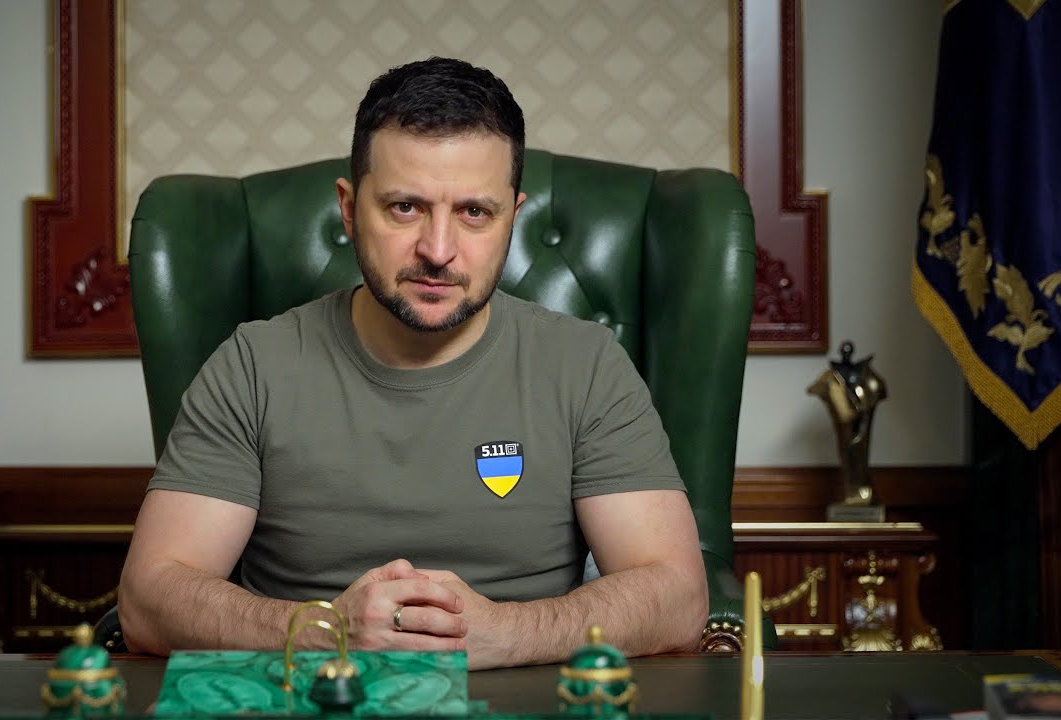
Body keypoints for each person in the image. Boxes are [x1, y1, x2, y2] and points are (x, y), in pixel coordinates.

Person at [118, 57, 707, 669]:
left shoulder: (586, 366)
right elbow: (146, 601)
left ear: (514, 216)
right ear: (350, 210)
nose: (439, 250)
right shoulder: (252, 366)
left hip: (525, 694)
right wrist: (326, 629)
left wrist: (508, 633)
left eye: (475, 212)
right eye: (405, 207)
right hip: (313, 694)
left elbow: (679, 598)